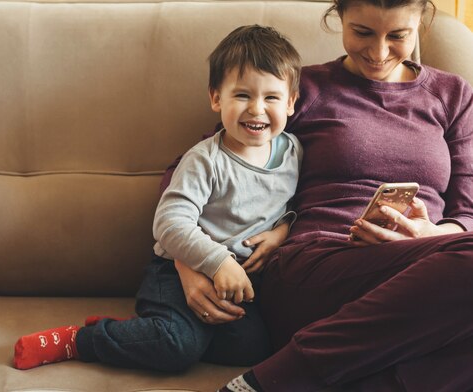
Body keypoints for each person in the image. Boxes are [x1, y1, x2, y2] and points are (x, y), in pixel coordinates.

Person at [163, 0, 473, 391]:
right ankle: (276, 380)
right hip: (314, 267)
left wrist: (429, 236)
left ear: (420, 26)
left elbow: (467, 208)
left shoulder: (452, 95)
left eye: (398, 36)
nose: (378, 52)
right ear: (338, 17)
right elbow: (190, 170)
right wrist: (189, 262)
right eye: (362, 32)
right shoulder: (300, 90)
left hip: (423, 278)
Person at [12, 25, 303, 372]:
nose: (256, 109)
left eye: (271, 97)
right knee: (175, 348)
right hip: (175, 272)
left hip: (236, 283)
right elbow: (169, 222)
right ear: (216, 98)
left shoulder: (293, 152)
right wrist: (219, 262)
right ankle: (81, 340)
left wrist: (284, 228)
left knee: (253, 349)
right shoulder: (205, 160)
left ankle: (139, 335)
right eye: (242, 95)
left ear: (290, 103)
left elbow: (294, 205)